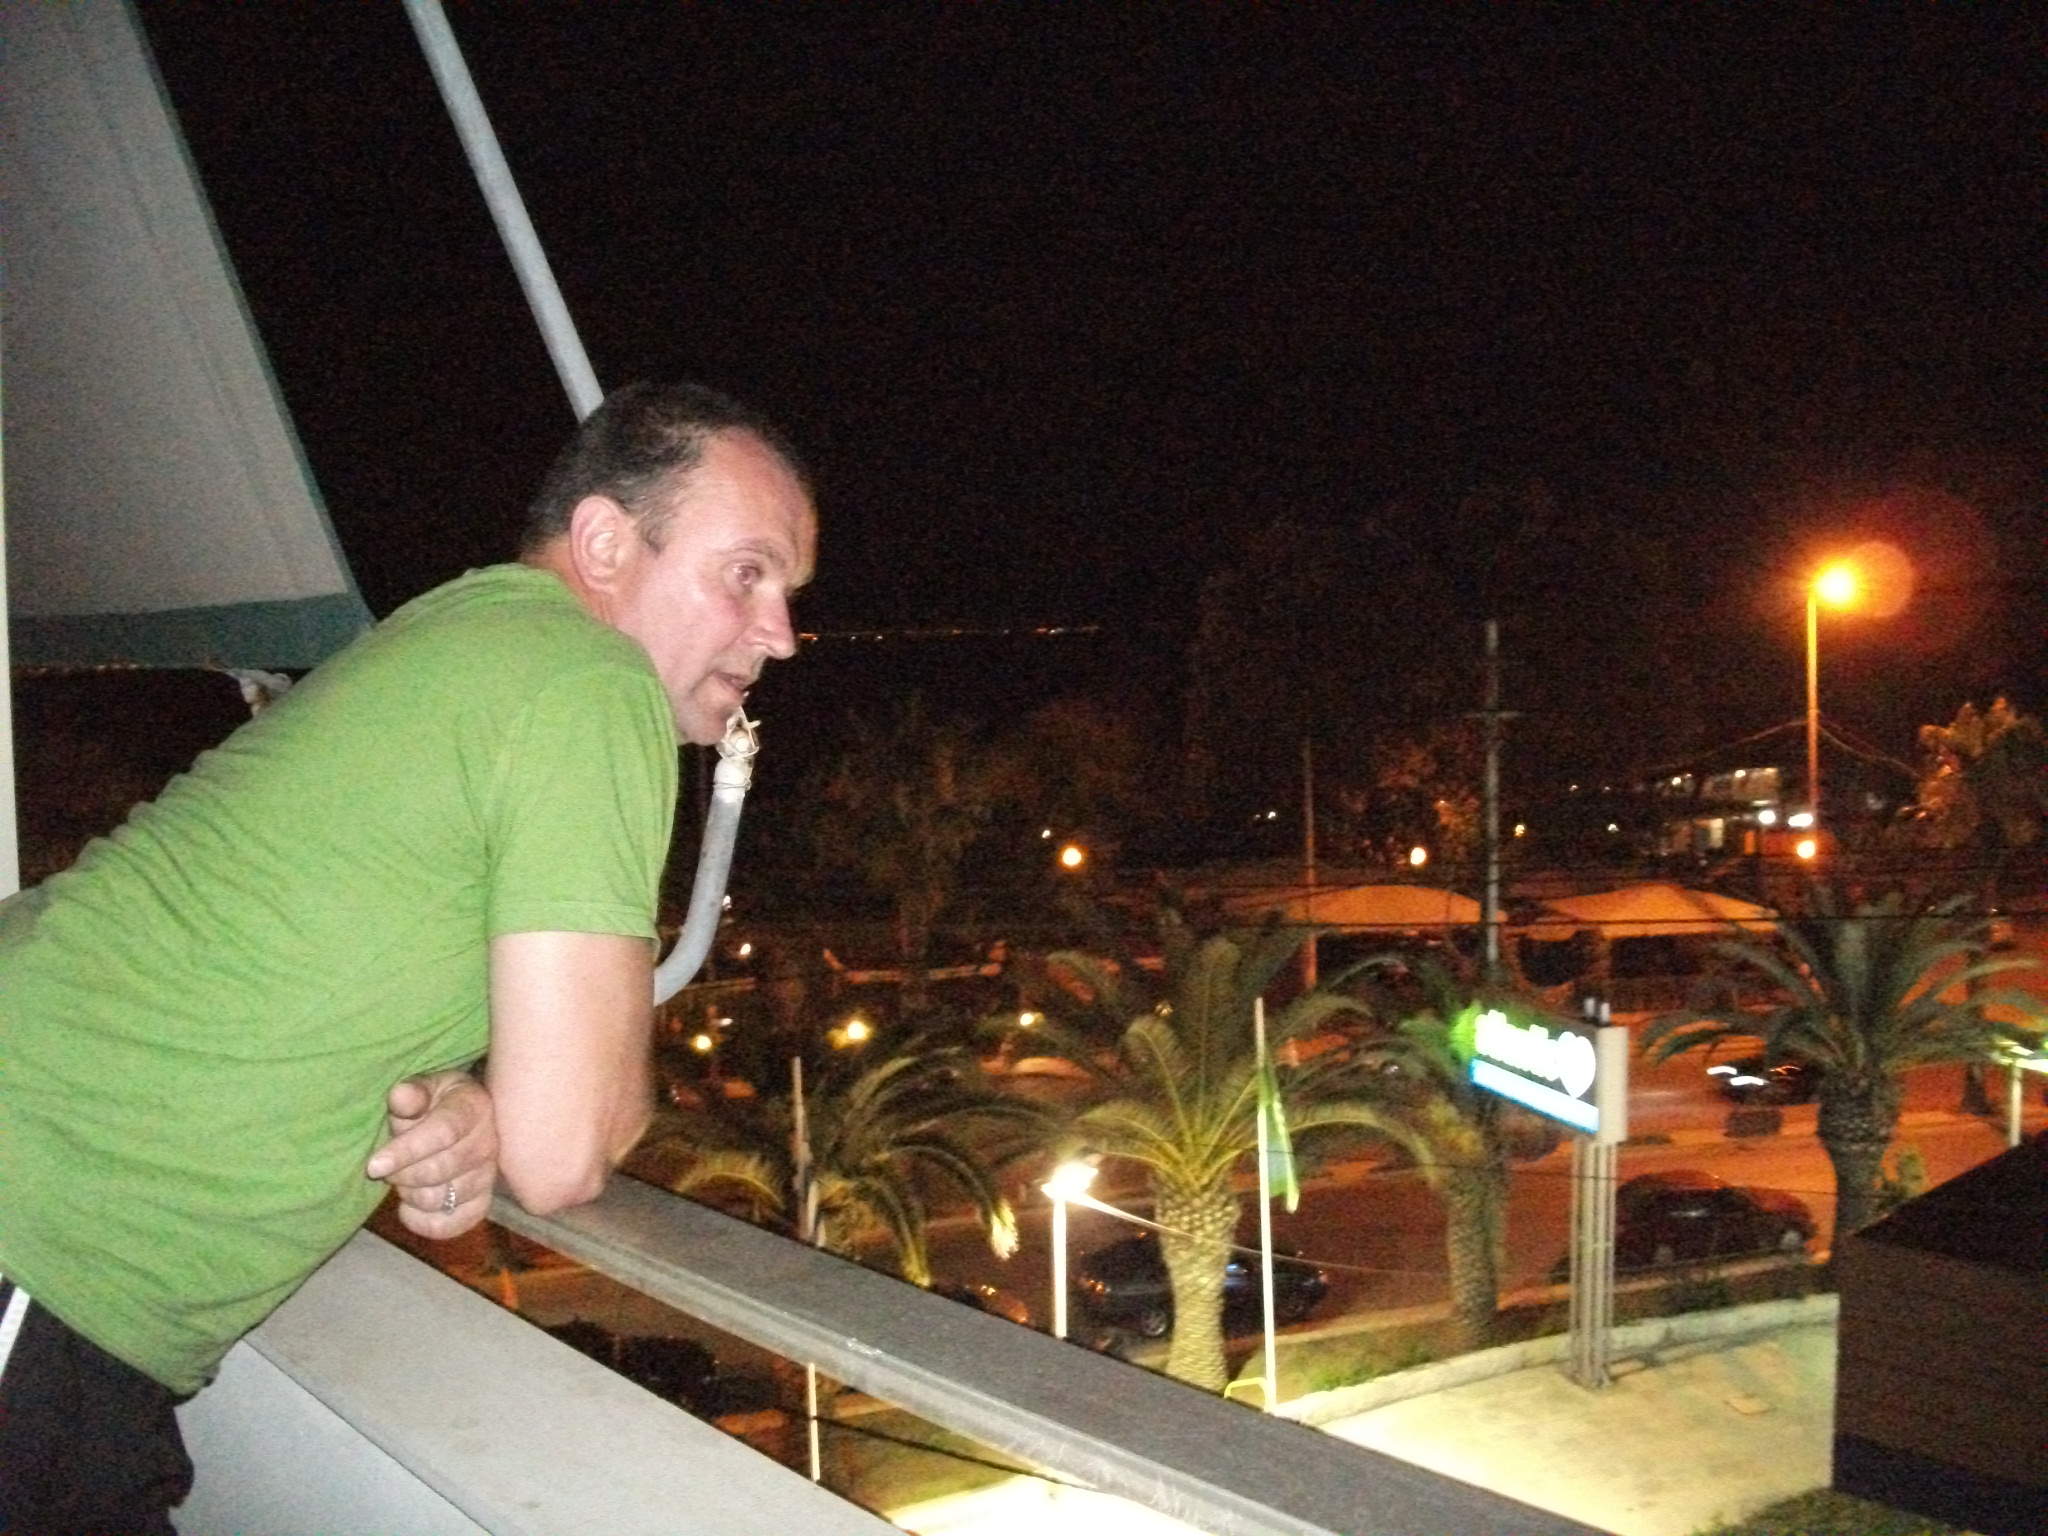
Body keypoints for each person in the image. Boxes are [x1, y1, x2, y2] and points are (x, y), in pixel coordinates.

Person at [0, 380, 817, 1533]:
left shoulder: (466, 634)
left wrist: (482, 1093)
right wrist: (541, 1105)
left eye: (787, 592)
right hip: (40, 1226)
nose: (779, 632)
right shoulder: (593, 682)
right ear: (604, 544)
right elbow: (564, 1152)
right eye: (745, 573)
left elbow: (366, 944)